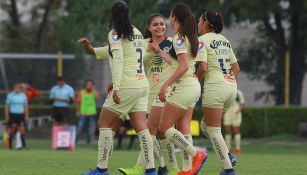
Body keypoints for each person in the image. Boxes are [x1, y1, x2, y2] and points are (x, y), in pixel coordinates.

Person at [80, 1, 157, 175]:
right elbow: (112, 52)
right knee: (141, 127)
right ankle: (151, 170)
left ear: (112, 15)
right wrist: (89, 48)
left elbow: (119, 59)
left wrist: (116, 87)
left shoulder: (115, 33)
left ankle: (101, 169)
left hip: (127, 86)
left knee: (104, 123)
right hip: (142, 85)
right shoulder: (135, 31)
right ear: (128, 14)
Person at [152, 3, 207, 175]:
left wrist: (165, 84)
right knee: (184, 127)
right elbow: (178, 62)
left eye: (169, 15)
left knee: (164, 129)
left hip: (183, 87)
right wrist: (160, 52)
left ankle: (196, 153)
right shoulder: (191, 37)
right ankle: (187, 169)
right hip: (193, 86)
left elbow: (182, 67)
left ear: (174, 17)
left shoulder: (179, 37)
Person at [197, 10, 240, 175]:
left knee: (213, 130)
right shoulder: (225, 40)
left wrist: (193, 83)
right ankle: (227, 155)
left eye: (200, 21)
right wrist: (227, 82)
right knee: (205, 126)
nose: (198, 24)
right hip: (231, 88)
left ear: (206, 23)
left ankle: (229, 170)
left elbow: (203, 68)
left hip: (215, 87)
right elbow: (237, 68)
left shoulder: (202, 40)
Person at [4, 83, 29, 150]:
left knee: (22, 130)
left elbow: (25, 106)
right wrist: (7, 115)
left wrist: (26, 115)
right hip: (12, 114)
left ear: (20, 89)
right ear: (14, 88)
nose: (17, 89)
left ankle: (23, 146)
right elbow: (7, 106)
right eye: (16, 88)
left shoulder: (23, 95)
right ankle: (9, 147)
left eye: (18, 88)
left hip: (21, 115)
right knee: (10, 131)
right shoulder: (10, 95)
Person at [75, 80, 100, 144]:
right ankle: (75, 141)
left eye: (90, 84)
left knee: (90, 129)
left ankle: (88, 143)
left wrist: (94, 89)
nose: (89, 86)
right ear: (85, 85)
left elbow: (97, 98)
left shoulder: (94, 92)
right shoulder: (81, 92)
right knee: (79, 128)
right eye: (88, 84)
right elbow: (78, 102)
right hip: (83, 113)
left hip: (92, 113)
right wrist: (78, 111)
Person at [224, 89, 245, 155]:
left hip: (236, 110)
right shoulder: (225, 91)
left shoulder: (239, 93)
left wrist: (238, 111)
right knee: (227, 130)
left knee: (236, 131)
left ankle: (238, 149)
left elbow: (242, 104)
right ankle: (228, 149)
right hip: (227, 111)